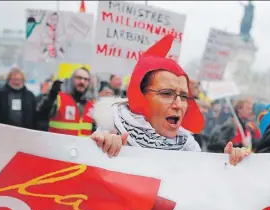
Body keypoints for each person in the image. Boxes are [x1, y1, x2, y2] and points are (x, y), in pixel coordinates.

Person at [91, 35, 250, 165]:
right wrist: (100, 151)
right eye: (167, 93)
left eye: (184, 96)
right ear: (140, 96)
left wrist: (227, 167)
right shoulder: (109, 136)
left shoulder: (189, 149)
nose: (179, 105)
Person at [37, 67, 96, 136]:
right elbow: (42, 114)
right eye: (79, 78)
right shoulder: (59, 97)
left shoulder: (92, 104)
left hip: (82, 145)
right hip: (59, 144)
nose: (82, 82)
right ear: (72, 79)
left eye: (86, 79)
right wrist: (51, 97)